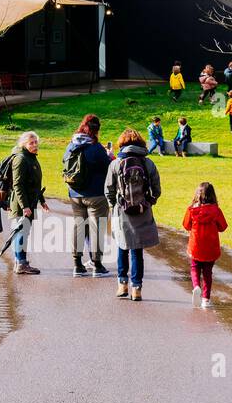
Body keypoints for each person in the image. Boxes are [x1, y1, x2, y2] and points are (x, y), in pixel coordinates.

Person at [105, 128, 161, 301]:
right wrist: (148, 202)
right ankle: (136, 288)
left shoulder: (115, 163)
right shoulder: (148, 163)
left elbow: (109, 190)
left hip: (122, 211)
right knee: (137, 251)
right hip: (142, 211)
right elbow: (157, 189)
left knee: (122, 247)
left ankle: (122, 284)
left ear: (122, 143)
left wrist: (114, 206)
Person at [62, 114, 112, 277]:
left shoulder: (72, 145)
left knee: (79, 226)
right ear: (96, 130)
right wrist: (109, 155)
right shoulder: (96, 148)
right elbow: (108, 167)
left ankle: (77, 264)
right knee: (97, 228)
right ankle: (97, 265)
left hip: (75, 193)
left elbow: (65, 162)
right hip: (96, 194)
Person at [7, 131, 48, 275]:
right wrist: (24, 206)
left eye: (36, 142)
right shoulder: (21, 159)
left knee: (22, 233)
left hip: (30, 202)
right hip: (21, 205)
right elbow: (17, 185)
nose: (35, 145)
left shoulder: (31, 158)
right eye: (31, 143)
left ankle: (19, 262)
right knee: (21, 234)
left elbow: (36, 184)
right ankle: (21, 264)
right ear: (24, 144)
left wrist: (42, 201)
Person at [182, 182, 228, 309]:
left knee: (194, 268)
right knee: (208, 272)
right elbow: (223, 227)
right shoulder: (216, 211)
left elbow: (186, 225)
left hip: (196, 245)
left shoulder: (192, 210)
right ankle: (206, 299)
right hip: (211, 246)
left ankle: (196, 286)